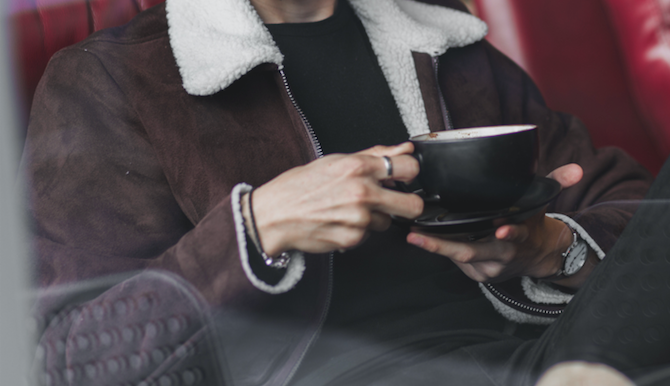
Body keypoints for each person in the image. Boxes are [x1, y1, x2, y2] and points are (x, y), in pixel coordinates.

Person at [23, 0, 663, 384]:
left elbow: (635, 213)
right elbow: (70, 359)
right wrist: (256, 226)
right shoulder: (111, 80)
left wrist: (551, 250)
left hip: (535, 356)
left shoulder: (443, 41)